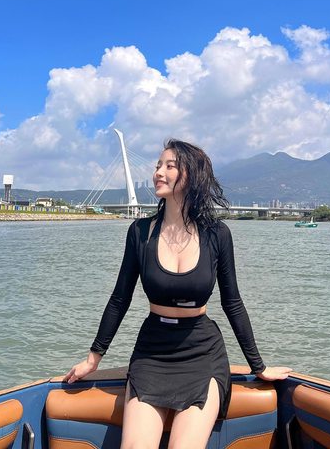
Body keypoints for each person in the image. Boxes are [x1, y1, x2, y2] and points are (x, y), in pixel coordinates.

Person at [64, 139, 291, 449]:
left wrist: (259, 366)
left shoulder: (217, 234)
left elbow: (232, 302)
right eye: (158, 165)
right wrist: (93, 359)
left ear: (191, 176)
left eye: (169, 166)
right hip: (152, 354)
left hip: (202, 353)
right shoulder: (140, 232)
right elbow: (120, 298)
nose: (158, 172)